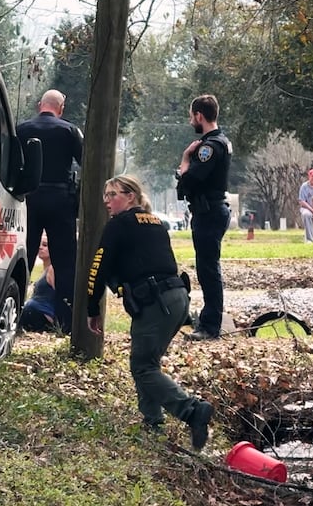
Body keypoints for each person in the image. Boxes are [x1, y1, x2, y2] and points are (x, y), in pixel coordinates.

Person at [87, 174, 214, 450]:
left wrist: (90, 307)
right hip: (177, 298)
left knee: (143, 367)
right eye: (105, 196)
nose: (107, 201)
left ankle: (192, 411)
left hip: (157, 302)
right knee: (147, 363)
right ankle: (152, 422)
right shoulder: (154, 221)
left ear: (130, 196)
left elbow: (98, 268)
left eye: (113, 195)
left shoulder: (119, 225)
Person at [16, 89, 83, 333]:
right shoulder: (69, 131)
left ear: (38, 105)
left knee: (23, 259)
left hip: (29, 199)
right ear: (61, 108)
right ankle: (66, 323)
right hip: (60, 200)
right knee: (66, 263)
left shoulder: (22, 129)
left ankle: (13, 316)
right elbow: (85, 159)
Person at [175, 94, 231, 342]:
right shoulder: (221, 142)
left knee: (208, 270)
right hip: (211, 210)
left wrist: (186, 160)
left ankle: (210, 327)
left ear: (199, 115)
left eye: (191, 116)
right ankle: (210, 321)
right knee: (208, 268)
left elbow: (189, 180)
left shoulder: (209, 146)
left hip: (208, 211)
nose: (190, 121)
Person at [20, 233, 61, 332]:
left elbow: (61, 295)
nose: (40, 247)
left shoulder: (52, 270)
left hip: (44, 317)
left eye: (45, 245)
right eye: (39, 244)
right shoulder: (44, 269)